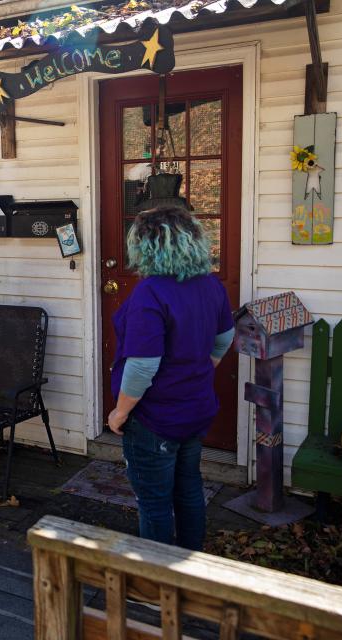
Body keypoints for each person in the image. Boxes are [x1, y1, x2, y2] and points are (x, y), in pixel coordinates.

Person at [106, 206, 234, 550]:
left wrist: (120, 412)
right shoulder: (210, 284)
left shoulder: (151, 292)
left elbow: (143, 365)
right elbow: (225, 337)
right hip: (195, 408)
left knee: (155, 503)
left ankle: (155, 584)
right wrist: (200, 367)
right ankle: (191, 566)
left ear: (146, 246)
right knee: (189, 487)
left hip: (155, 418)